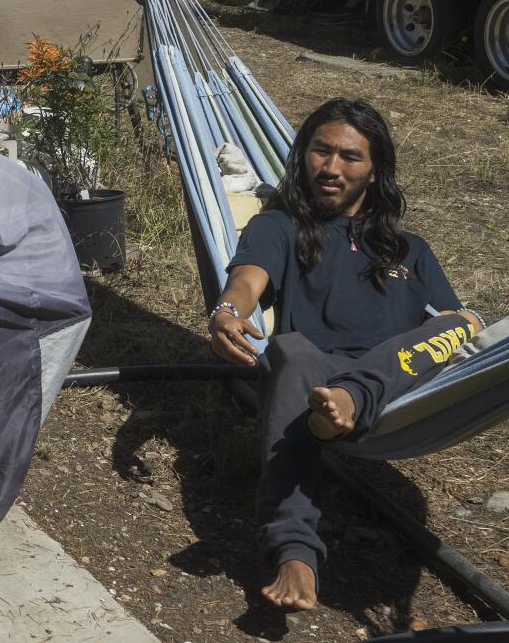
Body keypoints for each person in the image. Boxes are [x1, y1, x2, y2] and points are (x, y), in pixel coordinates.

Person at [208, 97, 485, 610]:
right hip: (315, 382)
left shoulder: (411, 250)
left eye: (350, 157)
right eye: (321, 151)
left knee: (459, 324)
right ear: (303, 155)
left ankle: (354, 396)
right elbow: (247, 280)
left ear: (375, 171)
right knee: (290, 351)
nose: (331, 167)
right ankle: (294, 549)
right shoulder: (280, 226)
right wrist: (226, 311)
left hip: (396, 378)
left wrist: (459, 325)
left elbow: (454, 325)